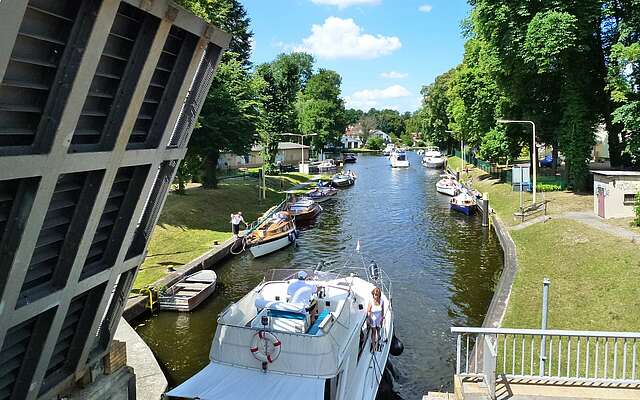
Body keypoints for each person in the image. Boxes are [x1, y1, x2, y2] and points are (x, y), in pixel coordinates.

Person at [367, 287, 385, 352]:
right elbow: (368, 311)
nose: (376, 296)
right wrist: (369, 319)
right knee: (374, 332)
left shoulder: (382, 301)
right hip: (373, 319)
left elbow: (382, 310)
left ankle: (378, 342)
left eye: (377, 295)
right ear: (373, 295)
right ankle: (374, 346)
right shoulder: (371, 302)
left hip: (379, 318)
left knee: (378, 330)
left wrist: (382, 318)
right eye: (375, 295)